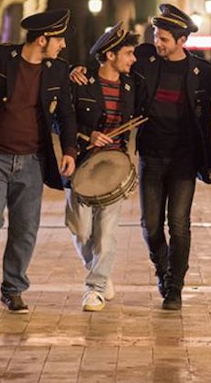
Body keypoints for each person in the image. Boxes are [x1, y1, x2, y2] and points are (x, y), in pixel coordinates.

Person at [75, 4, 211, 310]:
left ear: (182, 41)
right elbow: (109, 59)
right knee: (150, 225)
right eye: (156, 34)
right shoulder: (145, 60)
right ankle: (163, 269)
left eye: (164, 38)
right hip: (151, 155)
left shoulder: (202, 72)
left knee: (179, 223)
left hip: (184, 158)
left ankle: (174, 285)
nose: (157, 42)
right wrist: (80, 70)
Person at [0, 9, 78, 317]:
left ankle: (13, 289)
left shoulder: (58, 71)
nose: (62, 45)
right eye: (59, 39)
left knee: (25, 228)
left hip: (32, 160)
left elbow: (66, 114)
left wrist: (70, 150)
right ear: (42, 39)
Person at [64, 23, 138, 312]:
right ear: (110, 55)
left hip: (114, 166)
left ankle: (95, 288)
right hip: (82, 164)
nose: (133, 59)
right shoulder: (81, 82)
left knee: (106, 235)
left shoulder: (133, 84)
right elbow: (63, 120)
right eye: (129, 53)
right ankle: (99, 270)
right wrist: (87, 135)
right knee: (80, 230)